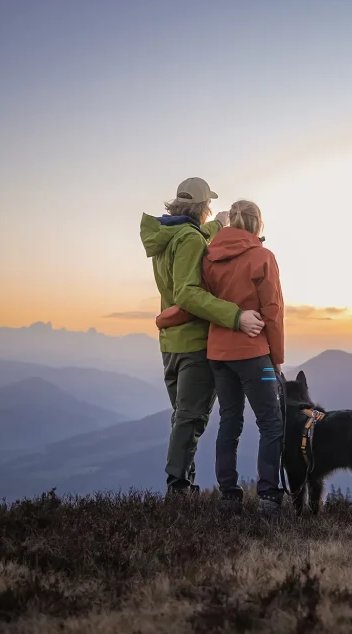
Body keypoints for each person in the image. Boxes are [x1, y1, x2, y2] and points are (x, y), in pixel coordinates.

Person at [157, 199, 285, 517]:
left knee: (230, 420)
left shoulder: (210, 258)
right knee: (271, 423)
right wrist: (277, 358)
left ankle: (229, 495)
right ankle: (269, 496)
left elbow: (194, 301)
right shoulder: (262, 257)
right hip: (255, 355)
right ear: (257, 225)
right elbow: (273, 312)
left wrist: (164, 319)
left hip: (217, 354)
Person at [140, 177, 266, 496]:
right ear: (203, 207)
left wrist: (217, 227)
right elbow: (187, 293)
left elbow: (191, 241)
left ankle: (185, 485)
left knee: (183, 418)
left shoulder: (168, 235)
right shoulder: (191, 239)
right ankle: (179, 488)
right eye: (209, 206)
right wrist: (236, 316)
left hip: (170, 343)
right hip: (195, 342)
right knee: (191, 418)